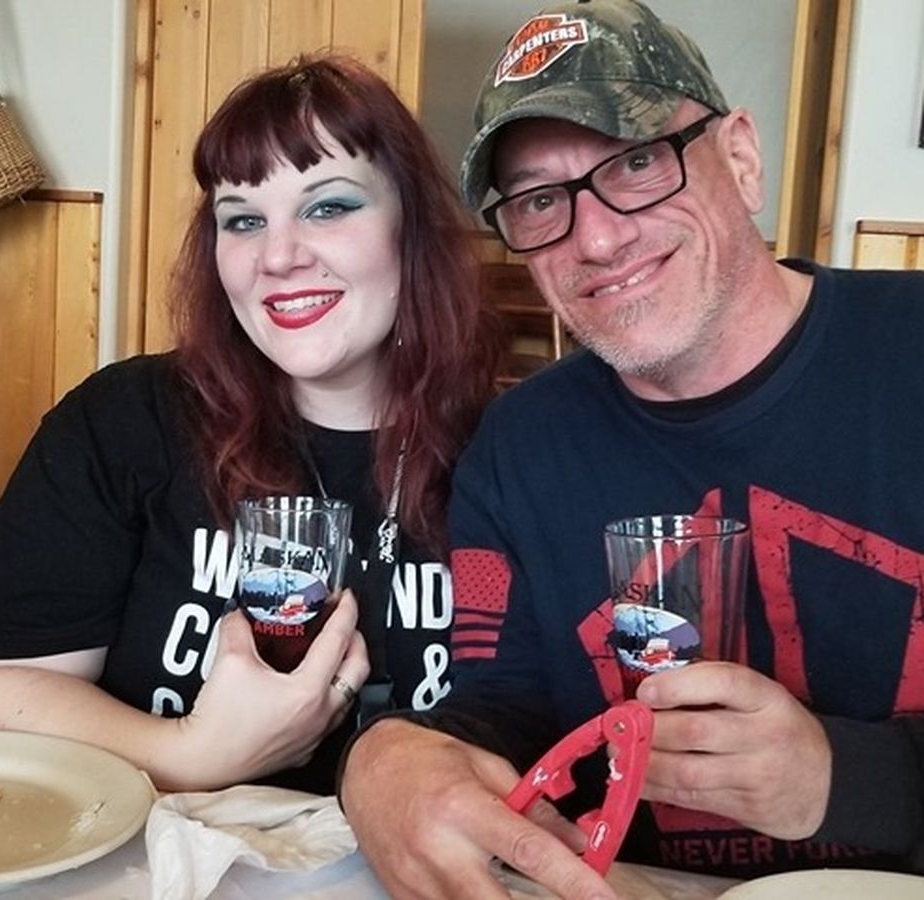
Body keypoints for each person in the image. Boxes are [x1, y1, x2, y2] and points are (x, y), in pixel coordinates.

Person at [337, 2, 924, 898]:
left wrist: (848, 778)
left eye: (639, 162)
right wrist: (383, 759)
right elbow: (498, 703)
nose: (598, 237)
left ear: (741, 157)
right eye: (540, 200)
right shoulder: (518, 445)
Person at [0, 55, 499, 796]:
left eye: (329, 207)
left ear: (412, 226)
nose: (278, 256)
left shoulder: (515, 451)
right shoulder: (126, 421)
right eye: (244, 220)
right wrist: (194, 754)